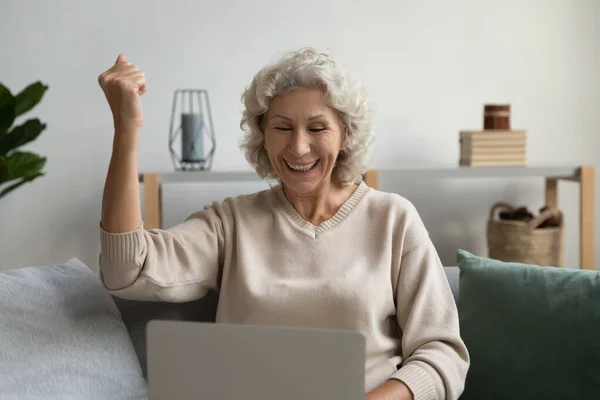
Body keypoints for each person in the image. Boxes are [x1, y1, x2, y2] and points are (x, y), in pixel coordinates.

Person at [97, 47, 469, 400]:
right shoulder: (231, 223)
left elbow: (442, 352)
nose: (299, 147)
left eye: (318, 128)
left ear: (346, 136)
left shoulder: (393, 219)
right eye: (282, 127)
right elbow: (125, 268)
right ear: (263, 136)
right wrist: (125, 129)